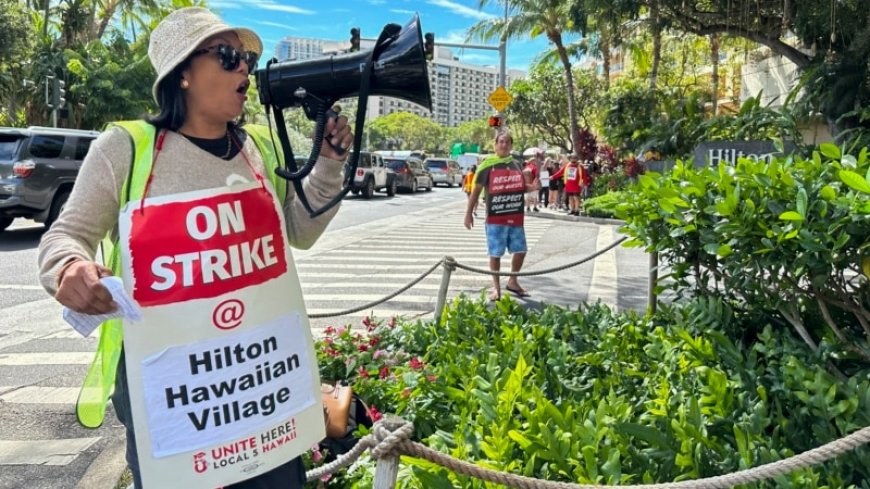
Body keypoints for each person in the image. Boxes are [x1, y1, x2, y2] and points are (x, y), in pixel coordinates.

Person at [37, 7, 351, 489]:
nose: (245, 68)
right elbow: (65, 236)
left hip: (260, 378)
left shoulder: (257, 150)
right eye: (228, 56)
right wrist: (70, 269)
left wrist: (329, 163)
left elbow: (300, 233)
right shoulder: (126, 148)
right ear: (182, 73)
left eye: (246, 57)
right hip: (172, 389)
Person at [464, 131, 534, 300]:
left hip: (516, 217)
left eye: (507, 142)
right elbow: (476, 191)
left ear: (511, 145)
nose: (504, 145)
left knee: (521, 250)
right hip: (495, 217)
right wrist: (468, 214)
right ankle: (496, 288)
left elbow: (520, 187)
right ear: (495, 144)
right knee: (495, 254)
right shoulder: (487, 166)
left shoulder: (516, 164)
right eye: (501, 142)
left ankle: (513, 281)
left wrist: (531, 188)